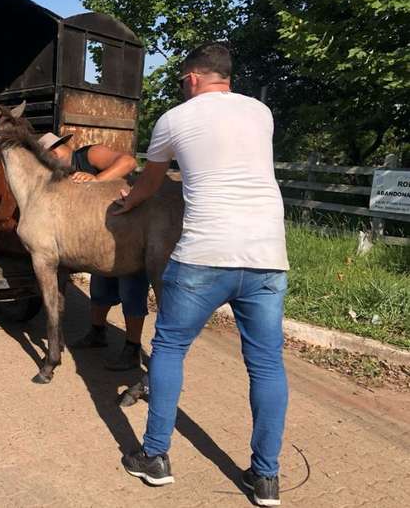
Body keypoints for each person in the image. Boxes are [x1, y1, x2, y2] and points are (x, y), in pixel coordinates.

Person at [114, 42, 289, 507]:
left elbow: (151, 183)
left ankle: (155, 457)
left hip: (205, 255)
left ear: (192, 78)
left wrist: (127, 201)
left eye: (180, 80)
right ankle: (266, 478)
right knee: (267, 364)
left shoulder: (174, 119)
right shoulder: (261, 112)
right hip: (268, 255)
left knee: (170, 346)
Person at [38, 132, 147, 371]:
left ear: (62, 148)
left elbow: (129, 162)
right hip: (98, 236)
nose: (54, 158)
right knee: (99, 289)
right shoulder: (61, 174)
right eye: (49, 157)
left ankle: (132, 347)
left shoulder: (89, 154)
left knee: (131, 289)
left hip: (128, 229)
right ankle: (97, 333)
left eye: (55, 152)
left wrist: (97, 180)